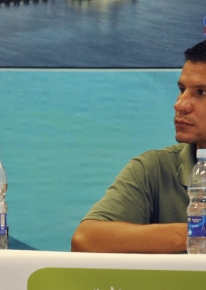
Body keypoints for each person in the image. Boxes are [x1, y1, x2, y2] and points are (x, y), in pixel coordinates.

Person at [71, 40, 206, 254]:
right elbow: (86, 240)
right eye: (182, 89)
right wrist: (196, 233)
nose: (180, 104)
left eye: (201, 92)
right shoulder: (155, 168)